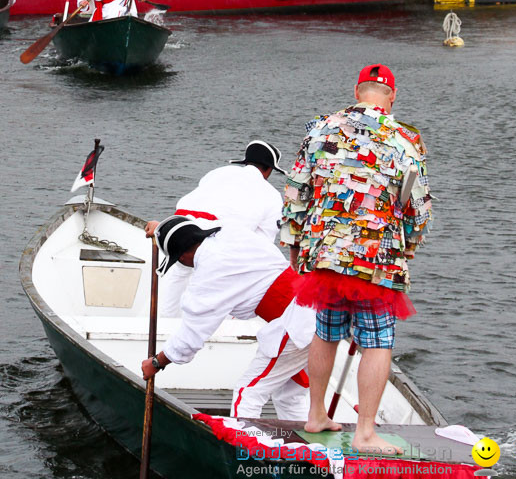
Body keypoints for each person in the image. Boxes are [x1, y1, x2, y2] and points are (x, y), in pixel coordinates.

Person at [282, 64, 432, 447]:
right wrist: (409, 246)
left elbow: (297, 190)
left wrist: (296, 245)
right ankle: (365, 432)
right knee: (378, 342)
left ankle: (316, 415)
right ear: (392, 96)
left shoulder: (320, 127)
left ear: (356, 90)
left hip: (325, 255)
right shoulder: (405, 139)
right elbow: (418, 208)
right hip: (376, 259)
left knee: (326, 333)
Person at [141, 214, 314, 422]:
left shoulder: (209, 276)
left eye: (177, 258)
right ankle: (306, 450)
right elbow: (195, 223)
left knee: (248, 392)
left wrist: (157, 362)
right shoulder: (228, 230)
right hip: (318, 307)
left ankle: (245, 451)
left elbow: (190, 337)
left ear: (183, 255)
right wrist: (162, 229)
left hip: (296, 321)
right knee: (288, 395)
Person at [146, 140, 288, 317]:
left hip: (179, 224)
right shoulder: (271, 194)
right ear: (269, 170)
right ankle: (219, 323)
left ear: (246, 161)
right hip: (217, 232)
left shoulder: (218, 172)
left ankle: (165, 320)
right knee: (224, 277)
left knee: (179, 272)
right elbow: (262, 243)